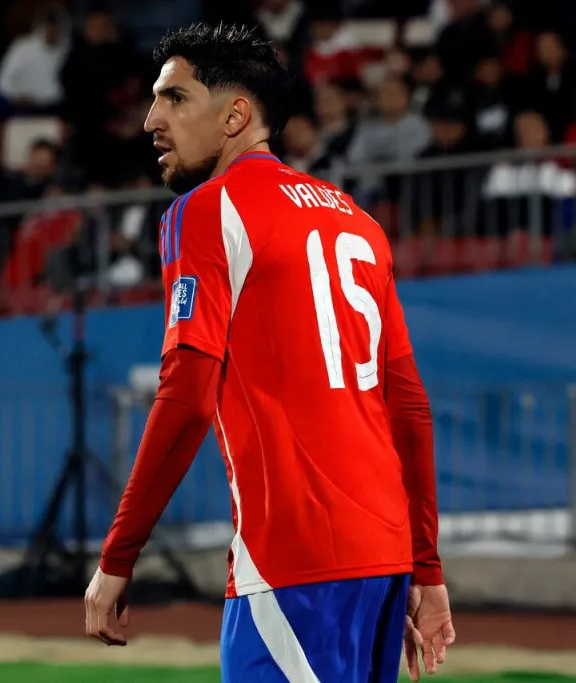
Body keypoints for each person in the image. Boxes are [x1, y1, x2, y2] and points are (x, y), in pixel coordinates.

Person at [83, 22, 455, 683]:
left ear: (236, 115)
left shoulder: (204, 211)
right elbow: (409, 408)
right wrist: (426, 568)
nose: (150, 120)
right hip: (385, 558)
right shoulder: (356, 220)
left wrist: (117, 555)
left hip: (293, 559)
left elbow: (186, 395)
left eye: (173, 98)